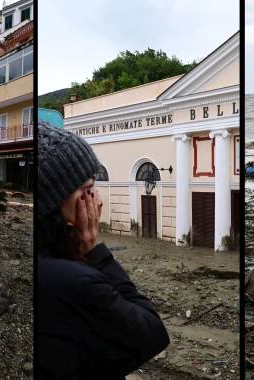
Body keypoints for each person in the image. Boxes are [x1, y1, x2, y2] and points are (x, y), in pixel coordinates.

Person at [36, 123, 170, 379]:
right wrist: (96, 250)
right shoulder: (76, 281)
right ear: (54, 202)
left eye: (95, 186)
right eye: (87, 190)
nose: (98, 200)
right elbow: (152, 334)